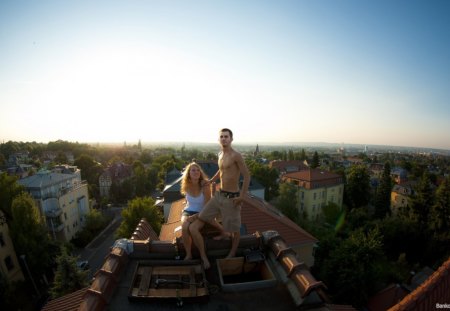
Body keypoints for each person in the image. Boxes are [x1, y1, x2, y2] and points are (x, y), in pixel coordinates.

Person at [189, 128, 251, 269]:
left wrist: (242, 196)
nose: (224, 139)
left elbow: (247, 176)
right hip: (219, 195)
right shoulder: (220, 154)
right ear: (219, 139)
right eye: (221, 137)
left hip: (232, 198)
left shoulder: (236, 156)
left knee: (235, 230)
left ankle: (233, 252)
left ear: (231, 139)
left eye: (226, 136)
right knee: (204, 216)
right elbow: (221, 170)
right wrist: (211, 181)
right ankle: (224, 232)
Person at [180, 162, 225, 260]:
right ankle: (189, 254)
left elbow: (207, 207)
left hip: (202, 213)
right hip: (188, 210)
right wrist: (189, 215)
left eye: (198, 170)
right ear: (188, 173)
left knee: (193, 228)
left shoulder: (204, 185)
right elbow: (187, 202)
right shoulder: (186, 185)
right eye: (193, 170)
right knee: (184, 227)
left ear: (200, 173)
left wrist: (195, 217)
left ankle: (203, 256)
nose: (196, 172)